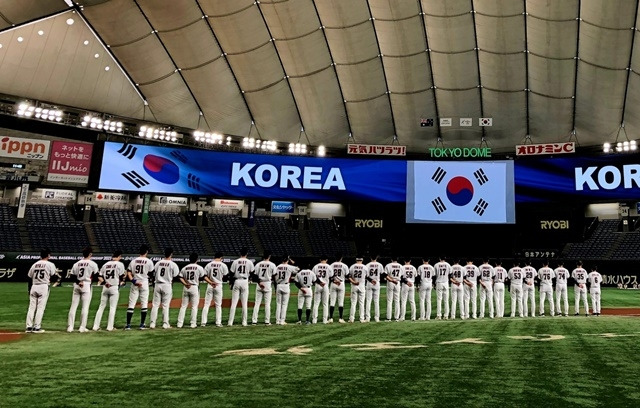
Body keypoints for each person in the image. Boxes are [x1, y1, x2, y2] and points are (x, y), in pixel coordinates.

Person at [26, 248, 59, 333]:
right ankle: (37, 327)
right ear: (48, 255)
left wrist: (29, 289)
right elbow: (54, 276)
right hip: (43, 286)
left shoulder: (35, 264)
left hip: (34, 286)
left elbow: (29, 277)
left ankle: (29, 327)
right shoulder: (50, 264)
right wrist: (58, 278)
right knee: (40, 308)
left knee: (31, 307)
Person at [67, 247, 99, 333]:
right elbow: (96, 276)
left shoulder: (77, 263)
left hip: (77, 285)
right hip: (86, 284)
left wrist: (78, 281)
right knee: (85, 307)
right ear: (90, 254)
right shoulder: (93, 264)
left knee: (73, 306)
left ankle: (70, 327)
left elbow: (72, 276)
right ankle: (82, 327)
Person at [92, 250, 126, 331]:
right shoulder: (120, 264)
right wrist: (121, 282)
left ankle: (95, 326)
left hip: (105, 287)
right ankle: (109, 327)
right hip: (114, 287)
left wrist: (104, 283)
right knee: (112, 307)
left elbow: (99, 277)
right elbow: (121, 277)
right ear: (119, 256)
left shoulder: (105, 264)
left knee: (101, 307)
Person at [125, 244, 154, 330]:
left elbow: (129, 272)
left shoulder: (133, 261)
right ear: (146, 252)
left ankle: (128, 325)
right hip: (144, 282)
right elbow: (151, 274)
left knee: (131, 303)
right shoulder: (149, 261)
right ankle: (142, 325)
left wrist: (133, 281)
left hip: (135, 282)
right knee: (144, 303)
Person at [149, 247, 180, 329]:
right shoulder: (173, 264)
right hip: (167, 285)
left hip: (157, 284)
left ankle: (152, 323)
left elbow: (153, 274)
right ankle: (165, 324)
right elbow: (176, 276)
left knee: (155, 305)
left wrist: (153, 286)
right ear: (171, 254)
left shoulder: (158, 263)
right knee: (165, 306)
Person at [177, 252, 205, 328]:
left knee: (183, 306)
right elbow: (202, 277)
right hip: (194, 286)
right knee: (194, 307)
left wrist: (185, 284)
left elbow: (180, 277)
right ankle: (193, 324)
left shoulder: (184, 268)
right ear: (197, 259)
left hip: (186, 287)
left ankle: (179, 324)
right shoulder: (199, 267)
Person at [228, 247, 255, 326]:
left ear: (240, 253)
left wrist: (230, 283)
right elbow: (252, 273)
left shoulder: (235, 261)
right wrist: (250, 278)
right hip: (244, 281)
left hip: (236, 281)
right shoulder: (249, 262)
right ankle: (244, 322)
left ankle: (230, 322)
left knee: (234, 303)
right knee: (244, 303)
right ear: (247, 254)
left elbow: (231, 274)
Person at [202, 252, 229, 327]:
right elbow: (225, 276)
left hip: (210, 285)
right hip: (218, 285)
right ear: (221, 257)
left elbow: (204, 276)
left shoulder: (209, 264)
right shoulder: (223, 265)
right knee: (218, 305)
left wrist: (211, 282)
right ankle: (218, 322)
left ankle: (203, 322)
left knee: (206, 304)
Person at [252, 251, 277, 325]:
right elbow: (275, 277)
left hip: (259, 283)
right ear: (269, 256)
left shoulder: (258, 264)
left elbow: (254, 276)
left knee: (257, 303)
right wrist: (275, 288)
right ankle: (267, 321)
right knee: (267, 304)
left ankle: (254, 321)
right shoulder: (272, 265)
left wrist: (259, 283)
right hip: (268, 283)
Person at [274, 255, 298, 325]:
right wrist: (291, 261)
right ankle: (282, 320)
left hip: (278, 285)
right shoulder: (289, 267)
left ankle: (277, 320)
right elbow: (298, 269)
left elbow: (274, 276)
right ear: (287, 260)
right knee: (284, 304)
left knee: (278, 304)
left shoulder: (277, 267)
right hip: (286, 285)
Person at [328, 253, 349, 323]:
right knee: (341, 301)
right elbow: (347, 275)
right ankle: (340, 318)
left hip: (333, 283)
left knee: (332, 301)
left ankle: (330, 318)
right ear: (341, 258)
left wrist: (334, 280)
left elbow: (329, 276)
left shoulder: (331, 265)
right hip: (341, 283)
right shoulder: (344, 265)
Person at [311, 255, 331, 324]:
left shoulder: (316, 266)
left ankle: (314, 320)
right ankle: (325, 320)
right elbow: (331, 276)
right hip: (325, 285)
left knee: (316, 303)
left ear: (320, 260)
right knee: (325, 303)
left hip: (318, 285)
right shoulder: (329, 266)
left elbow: (313, 277)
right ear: (326, 260)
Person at [364, 255, 383, 322]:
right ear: (376, 257)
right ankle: (377, 318)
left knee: (368, 301)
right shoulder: (380, 265)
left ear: (370, 257)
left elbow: (365, 275)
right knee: (376, 301)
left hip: (369, 283)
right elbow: (382, 273)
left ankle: (367, 318)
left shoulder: (367, 265)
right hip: (377, 283)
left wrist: (371, 280)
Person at [348, 256, 367, 323]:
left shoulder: (352, 266)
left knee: (353, 303)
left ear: (356, 260)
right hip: (361, 285)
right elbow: (367, 277)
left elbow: (349, 277)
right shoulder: (365, 267)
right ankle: (361, 318)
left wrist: (353, 282)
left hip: (354, 285)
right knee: (361, 303)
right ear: (362, 260)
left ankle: (351, 318)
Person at [384, 256, 402, 321]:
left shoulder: (388, 265)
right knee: (397, 300)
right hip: (397, 282)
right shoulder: (400, 266)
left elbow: (385, 275)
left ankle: (389, 318)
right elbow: (402, 275)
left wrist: (391, 280)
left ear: (391, 259)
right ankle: (396, 317)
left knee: (389, 300)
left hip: (390, 282)